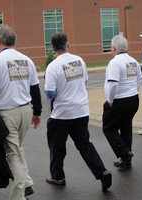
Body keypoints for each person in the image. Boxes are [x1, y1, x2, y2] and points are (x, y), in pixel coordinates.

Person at [0, 25, 42, 200]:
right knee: (17, 147)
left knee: (13, 154)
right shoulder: (27, 60)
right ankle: (27, 181)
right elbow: (35, 89)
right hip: (25, 111)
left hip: (7, 114)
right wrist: (37, 112)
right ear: (14, 41)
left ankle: (18, 195)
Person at [44, 32, 112, 191]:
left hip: (62, 113)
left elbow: (50, 93)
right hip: (81, 111)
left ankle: (57, 176)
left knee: (56, 145)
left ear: (53, 47)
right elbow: (85, 81)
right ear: (68, 44)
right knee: (84, 144)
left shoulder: (53, 66)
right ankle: (101, 172)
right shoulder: (79, 61)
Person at [102, 35, 142, 169]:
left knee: (109, 128)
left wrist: (110, 100)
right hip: (133, 98)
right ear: (127, 47)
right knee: (126, 126)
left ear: (113, 48)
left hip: (119, 100)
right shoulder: (133, 61)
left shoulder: (115, 62)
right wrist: (132, 91)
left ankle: (124, 153)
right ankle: (126, 160)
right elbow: (140, 79)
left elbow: (113, 84)